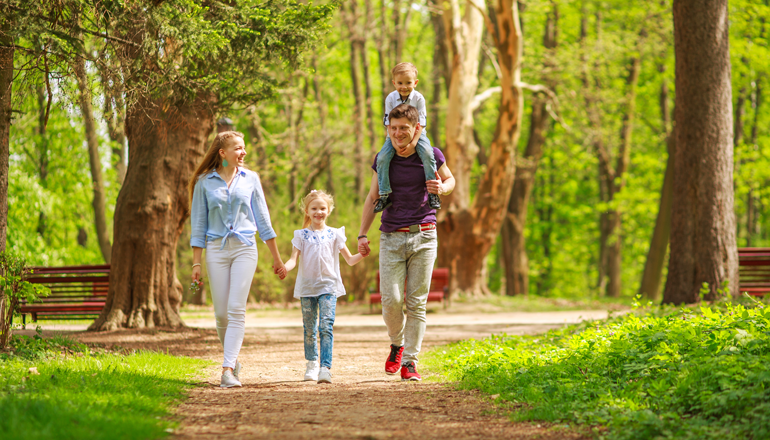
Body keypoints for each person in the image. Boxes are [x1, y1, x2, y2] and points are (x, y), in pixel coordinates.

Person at [357, 104, 456, 381]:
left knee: (416, 303)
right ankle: (397, 343)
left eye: (404, 128)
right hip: (391, 235)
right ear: (388, 128)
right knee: (390, 300)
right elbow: (373, 196)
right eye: (394, 128)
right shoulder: (384, 159)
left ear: (416, 129)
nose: (398, 133)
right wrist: (362, 234)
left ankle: (410, 361)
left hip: (424, 234)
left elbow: (450, 180)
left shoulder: (432, 155)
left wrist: (443, 188)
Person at [189, 131, 286, 388]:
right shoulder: (204, 182)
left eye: (244, 147)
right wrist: (196, 263)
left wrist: (276, 258)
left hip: (245, 248)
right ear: (223, 153)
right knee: (221, 314)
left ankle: (227, 369)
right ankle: (233, 358)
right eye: (237, 148)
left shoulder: (251, 179)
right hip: (216, 250)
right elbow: (198, 224)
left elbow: (263, 221)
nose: (243, 152)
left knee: (235, 310)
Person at [278, 190, 366, 384]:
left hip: (328, 286)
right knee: (309, 328)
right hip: (308, 288)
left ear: (329, 210)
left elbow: (350, 260)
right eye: (314, 208)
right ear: (307, 211)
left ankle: (325, 368)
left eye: (322, 208)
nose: (319, 212)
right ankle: (312, 363)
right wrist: (285, 268)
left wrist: (362, 254)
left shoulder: (335, 234)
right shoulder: (301, 235)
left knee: (326, 326)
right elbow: (293, 260)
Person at [374, 62, 441, 213]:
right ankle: (384, 194)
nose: (404, 86)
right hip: (394, 134)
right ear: (394, 83)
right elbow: (388, 122)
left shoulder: (419, 99)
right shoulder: (390, 98)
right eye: (400, 83)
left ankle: (432, 194)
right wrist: (393, 141)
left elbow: (422, 122)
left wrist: (414, 143)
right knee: (382, 157)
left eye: (408, 83)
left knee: (428, 154)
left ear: (415, 83)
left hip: (418, 134)